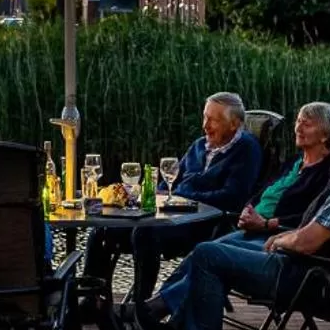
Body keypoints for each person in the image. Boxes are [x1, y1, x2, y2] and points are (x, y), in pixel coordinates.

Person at [117, 108, 330, 330]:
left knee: (208, 254)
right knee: (217, 246)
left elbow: (308, 242)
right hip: (316, 266)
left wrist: (280, 238)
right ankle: (167, 319)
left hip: (310, 276)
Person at [83, 91, 264, 304]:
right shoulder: (199, 145)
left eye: (213, 120)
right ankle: (91, 301)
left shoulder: (246, 149)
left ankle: (140, 307)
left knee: (144, 234)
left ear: (234, 124)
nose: (205, 125)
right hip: (170, 215)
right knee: (101, 231)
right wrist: (157, 194)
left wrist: (183, 197)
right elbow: (170, 181)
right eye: (204, 117)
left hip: (202, 225)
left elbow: (232, 197)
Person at [235, 102, 330, 238]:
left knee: (207, 250)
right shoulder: (295, 160)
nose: (298, 128)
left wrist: (266, 223)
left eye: (307, 125)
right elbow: (263, 190)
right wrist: (247, 209)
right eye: (298, 121)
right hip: (251, 229)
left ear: (325, 135)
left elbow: (313, 215)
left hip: (279, 237)